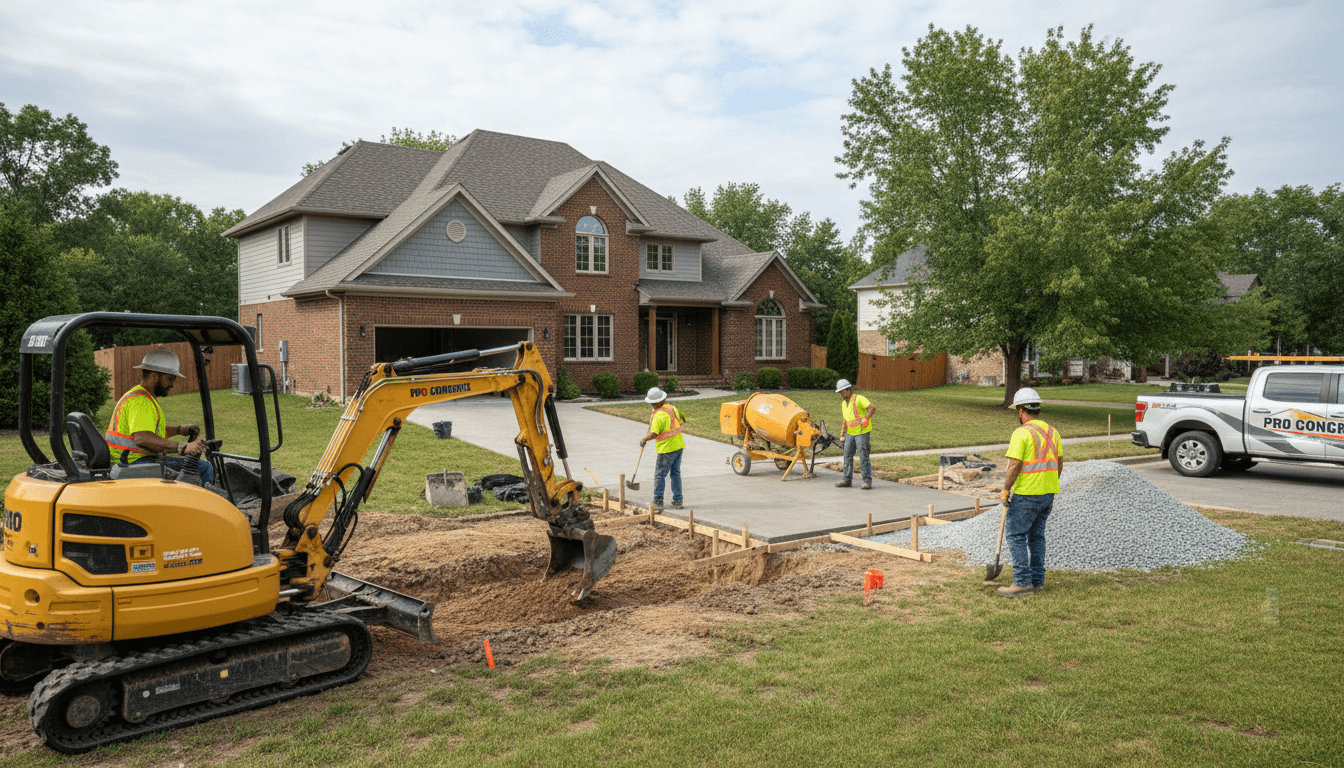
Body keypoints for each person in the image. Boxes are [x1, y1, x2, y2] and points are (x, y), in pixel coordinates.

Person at [104, 349, 214, 485]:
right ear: (154, 376)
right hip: (135, 462)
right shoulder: (141, 401)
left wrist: (179, 430)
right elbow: (143, 438)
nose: (172, 384)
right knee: (204, 468)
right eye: (169, 378)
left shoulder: (141, 396)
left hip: (130, 460)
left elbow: (152, 432)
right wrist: (183, 447)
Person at [997, 387, 1062, 597]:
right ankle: (1037, 581)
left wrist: (1006, 489)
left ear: (1021, 410)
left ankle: (1022, 583)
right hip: (1047, 495)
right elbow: (1059, 464)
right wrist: (1048, 485)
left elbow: (1014, 465)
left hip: (1027, 495)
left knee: (1016, 535)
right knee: (1036, 537)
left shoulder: (1022, 433)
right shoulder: (1053, 432)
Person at [639, 387, 686, 512]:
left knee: (659, 475)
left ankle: (658, 502)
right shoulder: (671, 408)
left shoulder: (658, 416)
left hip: (666, 449)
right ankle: (678, 500)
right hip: (679, 446)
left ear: (653, 403)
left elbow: (653, 434)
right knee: (675, 474)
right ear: (663, 399)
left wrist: (643, 439)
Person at [834, 379, 875, 490]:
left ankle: (867, 481)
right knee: (847, 456)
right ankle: (847, 480)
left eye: (843, 391)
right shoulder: (843, 403)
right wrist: (842, 432)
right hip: (850, 433)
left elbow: (872, 407)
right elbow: (845, 419)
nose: (842, 394)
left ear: (849, 390)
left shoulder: (859, 399)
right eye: (840, 392)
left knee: (863, 456)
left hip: (862, 432)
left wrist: (866, 418)